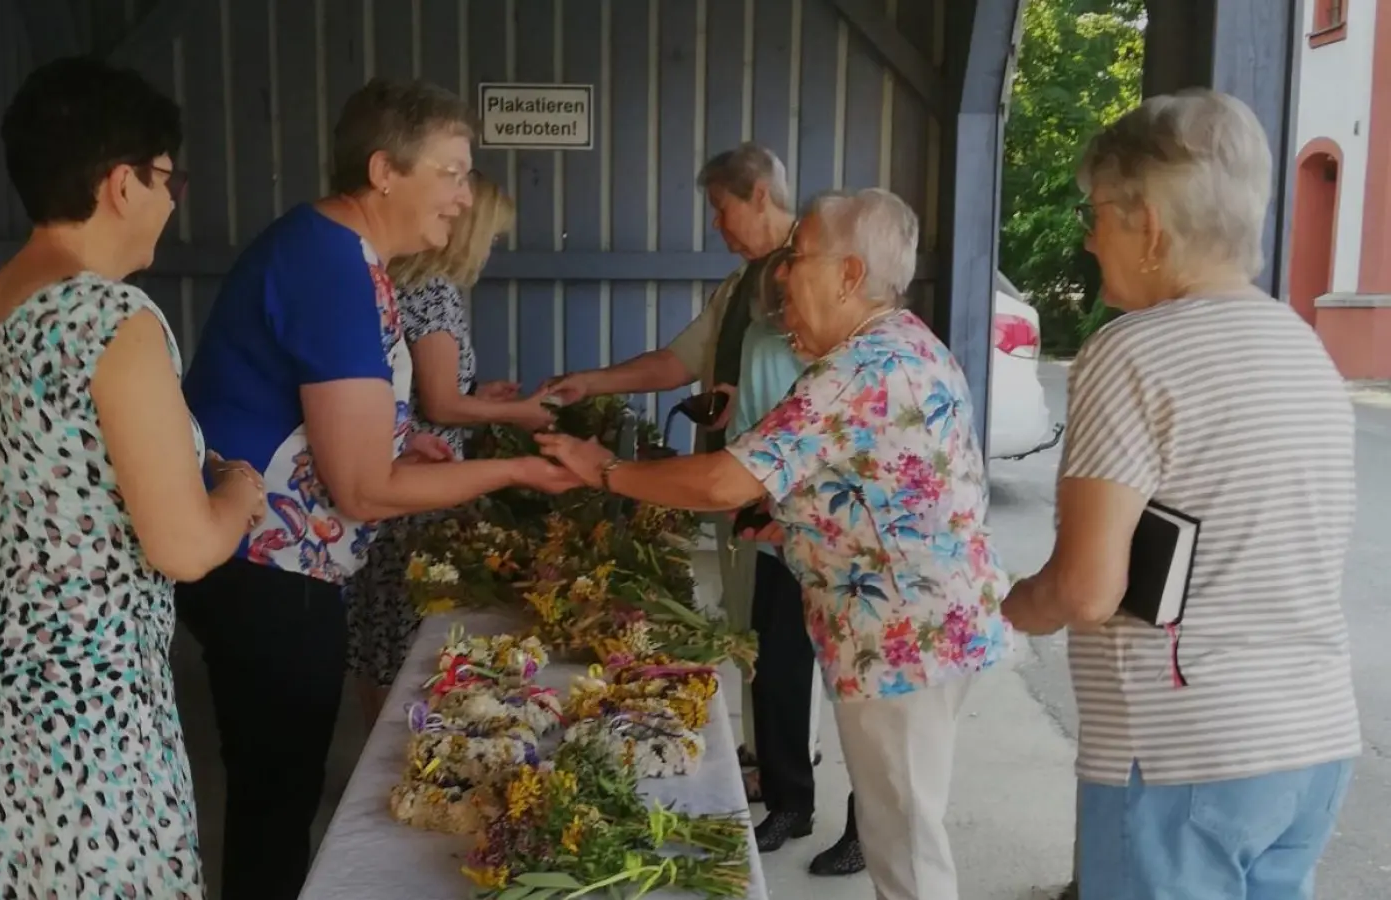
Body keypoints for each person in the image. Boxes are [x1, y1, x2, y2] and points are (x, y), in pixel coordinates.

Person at [539, 188, 1011, 900]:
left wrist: (604, 470)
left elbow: (724, 482)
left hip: (902, 639)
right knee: (903, 826)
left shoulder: (855, 370)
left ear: (850, 274)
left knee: (907, 844)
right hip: (933, 627)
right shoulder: (904, 340)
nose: (785, 273)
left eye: (800, 257)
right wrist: (793, 515)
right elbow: (883, 480)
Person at [177, 77, 578, 900]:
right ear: (384, 170)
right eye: (453, 173)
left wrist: (408, 440)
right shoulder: (330, 264)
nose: (465, 201)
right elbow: (360, 490)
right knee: (276, 802)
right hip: (268, 572)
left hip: (275, 566)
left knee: (278, 793)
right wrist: (512, 466)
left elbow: (343, 429)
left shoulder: (347, 255)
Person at [1001, 89, 1361, 899]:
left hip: (1183, 754)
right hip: (1311, 741)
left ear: (1150, 226)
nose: (1090, 240)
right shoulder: (1303, 346)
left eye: (1098, 215)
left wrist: (1019, 605)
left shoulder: (1131, 352)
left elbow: (1088, 590)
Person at [0, 56, 265, 898]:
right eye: (167, 178)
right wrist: (239, 493)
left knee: (13, 866)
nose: (169, 197)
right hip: (90, 693)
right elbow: (185, 547)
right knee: (107, 868)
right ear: (123, 183)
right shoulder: (111, 319)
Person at [541, 141, 795, 792]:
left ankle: (794, 771)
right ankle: (763, 755)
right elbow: (678, 362)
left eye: (721, 208)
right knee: (750, 623)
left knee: (793, 638)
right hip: (730, 482)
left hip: (788, 492)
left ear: (759, 195)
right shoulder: (739, 284)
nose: (715, 225)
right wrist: (591, 382)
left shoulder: (807, 275)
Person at [345, 172, 555, 726]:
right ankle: (401, 748)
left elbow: (424, 391)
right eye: (490, 236)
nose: (489, 249)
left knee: (377, 628)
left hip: (387, 465)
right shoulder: (433, 292)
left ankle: (375, 741)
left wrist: (477, 395)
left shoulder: (397, 280)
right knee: (407, 630)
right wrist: (522, 412)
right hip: (421, 479)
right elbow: (440, 406)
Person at [726, 248, 864, 876]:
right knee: (777, 670)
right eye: (775, 307)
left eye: (793, 303)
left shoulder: (856, 351)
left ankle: (868, 825)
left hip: (849, 547)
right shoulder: (760, 339)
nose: (787, 320)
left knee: (859, 693)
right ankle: (788, 802)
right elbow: (752, 430)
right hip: (779, 525)